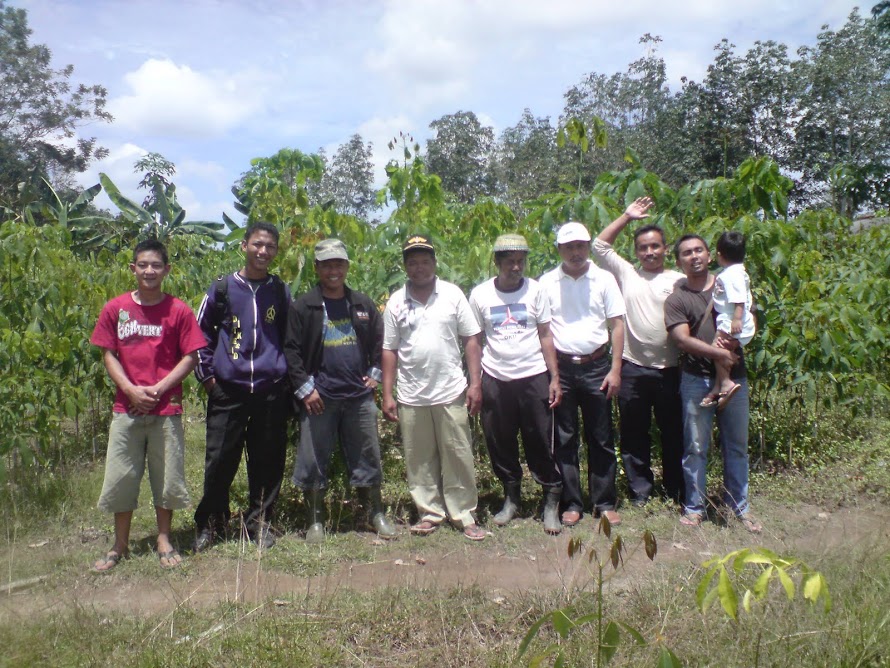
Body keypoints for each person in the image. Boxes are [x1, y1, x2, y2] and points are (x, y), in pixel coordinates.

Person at [90, 239, 207, 571]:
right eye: (143, 265)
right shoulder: (116, 309)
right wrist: (129, 389)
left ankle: (164, 538)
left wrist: (158, 388)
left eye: (156, 265)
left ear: (167, 270)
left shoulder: (179, 310)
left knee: (166, 477)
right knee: (121, 476)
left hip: (165, 408)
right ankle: (119, 545)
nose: (150, 271)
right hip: (125, 409)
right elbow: (108, 354)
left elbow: (191, 357)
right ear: (133, 269)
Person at [285, 239, 396, 543]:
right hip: (319, 397)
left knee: (367, 454)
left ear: (347, 267)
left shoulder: (361, 304)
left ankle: (375, 513)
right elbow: (291, 351)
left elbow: (378, 341)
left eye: (339, 264)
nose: (333, 270)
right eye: (327, 264)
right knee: (313, 457)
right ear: (317, 268)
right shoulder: (304, 306)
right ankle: (315, 521)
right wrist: (306, 390)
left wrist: (374, 374)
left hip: (358, 396)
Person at [193, 222, 291, 551]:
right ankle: (212, 522)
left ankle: (259, 523)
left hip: (270, 389)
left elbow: (289, 338)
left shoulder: (279, 291)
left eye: (270, 247)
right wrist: (208, 378)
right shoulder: (222, 288)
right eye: (257, 245)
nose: (263, 252)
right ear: (244, 246)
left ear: (276, 251)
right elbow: (199, 336)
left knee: (267, 460)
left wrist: (285, 378)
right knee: (220, 460)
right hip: (228, 388)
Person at [381, 234, 487, 541]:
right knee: (419, 458)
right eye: (412, 263)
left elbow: (471, 339)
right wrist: (387, 394)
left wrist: (475, 383)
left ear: (434, 263)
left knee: (458, 454)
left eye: (425, 261)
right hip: (412, 394)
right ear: (405, 267)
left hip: (450, 389)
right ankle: (429, 513)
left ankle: (464, 514)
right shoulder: (396, 302)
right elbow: (389, 349)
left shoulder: (453, 295)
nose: (419, 268)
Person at [664, 235, 762, 533]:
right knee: (695, 446)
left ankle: (740, 507)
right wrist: (720, 352)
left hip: (736, 376)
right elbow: (681, 339)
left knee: (737, 446)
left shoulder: (731, 283)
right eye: (686, 253)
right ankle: (695, 507)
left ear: (710, 255)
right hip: (695, 378)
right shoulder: (677, 299)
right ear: (679, 261)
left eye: (698, 250)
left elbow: (749, 320)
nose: (693, 256)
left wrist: (736, 337)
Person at [592, 197, 685, 506]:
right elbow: (600, 246)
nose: (649, 252)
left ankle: (675, 489)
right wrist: (626, 217)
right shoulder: (628, 274)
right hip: (632, 368)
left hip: (671, 369)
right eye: (643, 248)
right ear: (636, 252)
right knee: (634, 434)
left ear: (665, 249)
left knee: (673, 432)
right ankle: (640, 492)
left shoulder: (679, 280)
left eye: (655, 246)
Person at [468, 234, 563, 534]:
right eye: (509, 262)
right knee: (499, 440)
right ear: (497, 263)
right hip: (496, 377)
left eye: (520, 261)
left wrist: (555, 377)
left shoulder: (536, 290)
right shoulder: (480, 295)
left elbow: (546, 335)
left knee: (540, 439)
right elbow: (475, 340)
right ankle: (512, 497)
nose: (516, 267)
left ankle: (551, 499)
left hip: (533, 375)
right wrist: (476, 383)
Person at [540, 222, 627, 527]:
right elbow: (545, 332)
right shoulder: (547, 282)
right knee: (564, 439)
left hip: (597, 366)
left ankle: (603, 502)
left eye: (580, 246)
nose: (575, 252)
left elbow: (617, 325)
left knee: (601, 437)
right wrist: (552, 376)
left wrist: (616, 369)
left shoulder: (604, 279)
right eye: (568, 247)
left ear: (588, 247)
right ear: (558, 249)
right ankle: (573, 503)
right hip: (562, 368)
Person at [700, 231, 755, 410]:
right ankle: (719, 385)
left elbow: (739, 299)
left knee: (717, 349)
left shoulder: (731, 275)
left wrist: (737, 319)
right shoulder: (738, 272)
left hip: (731, 321)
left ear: (719, 255)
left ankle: (725, 383)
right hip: (731, 320)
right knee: (720, 350)